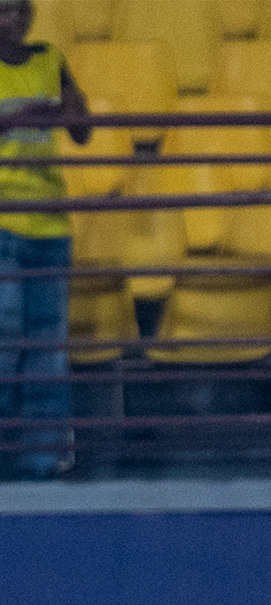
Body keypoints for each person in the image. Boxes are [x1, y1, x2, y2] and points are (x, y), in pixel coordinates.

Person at [0, 0, 88, 479]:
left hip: (51, 224)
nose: (11, 20)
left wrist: (69, 100)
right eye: (1, 11)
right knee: (4, 338)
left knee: (47, 344)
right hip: (2, 221)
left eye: (18, 11)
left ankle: (44, 455)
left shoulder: (50, 58)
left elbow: (82, 133)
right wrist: (21, 116)